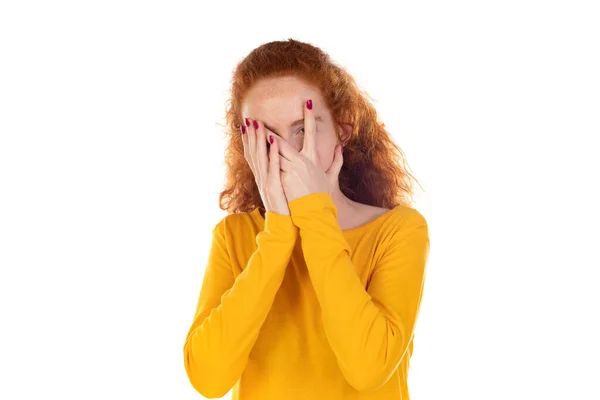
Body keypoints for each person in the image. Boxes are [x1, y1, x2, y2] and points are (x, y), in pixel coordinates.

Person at [183, 38, 430, 400]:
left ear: (342, 130)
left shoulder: (399, 231)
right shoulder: (234, 237)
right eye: (266, 137)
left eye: (302, 130)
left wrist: (314, 214)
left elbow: (368, 369)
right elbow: (208, 378)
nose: (284, 153)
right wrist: (278, 233)